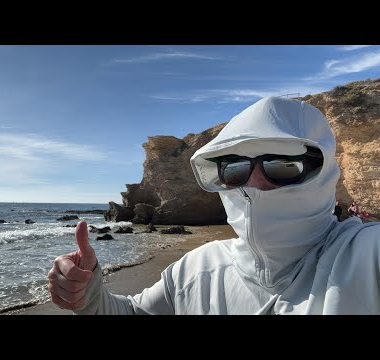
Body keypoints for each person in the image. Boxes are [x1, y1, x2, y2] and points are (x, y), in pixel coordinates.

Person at [48, 96, 380, 315]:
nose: (255, 183)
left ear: (322, 173)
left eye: (282, 165)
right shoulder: (195, 270)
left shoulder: (365, 257)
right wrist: (90, 294)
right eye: (235, 169)